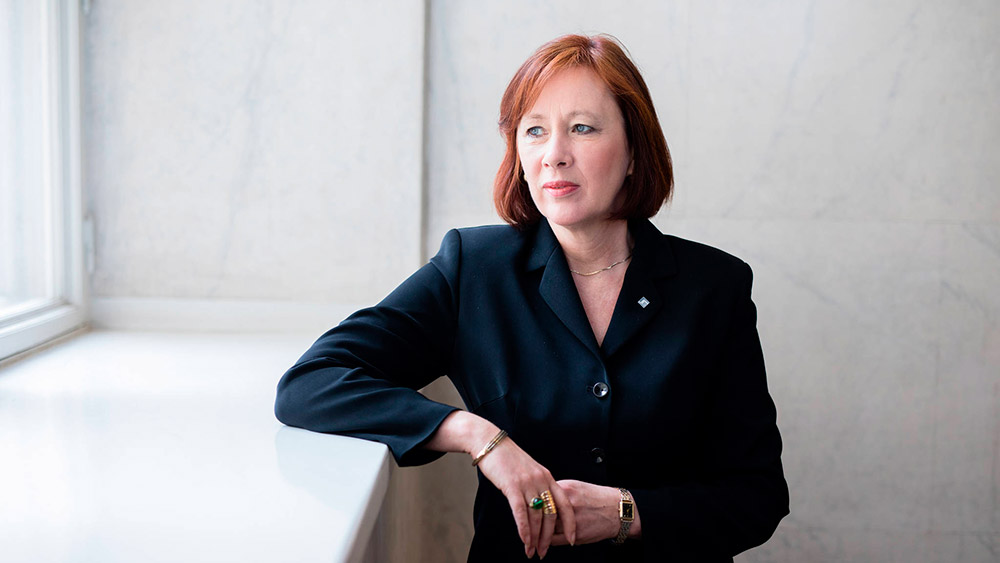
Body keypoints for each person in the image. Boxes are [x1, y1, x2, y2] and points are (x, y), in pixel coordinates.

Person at [275, 34, 788, 562]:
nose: (554, 155)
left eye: (582, 128)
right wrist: (476, 435)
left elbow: (758, 495)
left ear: (635, 151)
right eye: (535, 131)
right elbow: (312, 382)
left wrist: (624, 514)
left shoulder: (715, 287)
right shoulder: (473, 268)